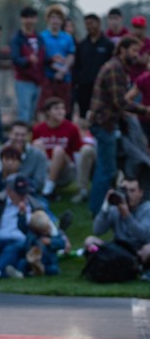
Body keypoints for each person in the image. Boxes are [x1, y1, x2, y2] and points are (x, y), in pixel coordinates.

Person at [88, 36, 149, 215]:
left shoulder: (119, 67)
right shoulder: (115, 68)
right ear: (122, 49)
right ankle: (98, 209)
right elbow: (119, 102)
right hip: (103, 124)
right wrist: (144, 110)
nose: (136, 55)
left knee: (107, 167)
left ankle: (98, 206)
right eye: (134, 51)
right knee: (106, 169)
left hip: (108, 123)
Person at [84, 177, 150, 264]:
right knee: (89, 241)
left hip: (138, 250)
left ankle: (135, 265)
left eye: (132, 190)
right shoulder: (115, 208)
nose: (128, 194)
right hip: (118, 247)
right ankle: (106, 260)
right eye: (125, 190)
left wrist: (127, 216)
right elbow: (97, 230)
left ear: (141, 193)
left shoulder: (147, 208)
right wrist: (105, 207)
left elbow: (144, 236)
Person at [32, 97, 82, 199]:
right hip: (45, 167)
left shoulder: (72, 128)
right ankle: (45, 186)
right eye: (56, 108)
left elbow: (78, 152)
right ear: (48, 112)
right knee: (37, 143)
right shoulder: (38, 129)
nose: (61, 111)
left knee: (58, 149)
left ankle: (49, 188)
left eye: (62, 108)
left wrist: (79, 180)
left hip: (65, 169)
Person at [73, 13, 114, 118]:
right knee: (84, 115)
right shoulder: (82, 45)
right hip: (84, 87)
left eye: (91, 23)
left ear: (99, 23)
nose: (89, 26)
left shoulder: (108, 44)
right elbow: (77, 66)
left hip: (102, 88)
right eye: (86, 24)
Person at [10, 6, 46, 123]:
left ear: (36, 19)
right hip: (23, 80)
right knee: (24, 112)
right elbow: (15, 59)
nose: (29, 20)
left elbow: (43, 57)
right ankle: (21, 138)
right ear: (22, 19)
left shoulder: (40, 38)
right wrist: (27, 60)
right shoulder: (17, 39)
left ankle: (29, 137)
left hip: (38, 80)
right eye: (26, 17)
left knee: (33, 113)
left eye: (32, 17)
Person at [39, 4, 76, 117]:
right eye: (53, 17)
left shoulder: (67, 37)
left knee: (64, 108)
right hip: (47, 77)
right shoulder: (42, 36)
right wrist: (53, 65)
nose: (55, 21)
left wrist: (63, 70)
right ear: (48, 19)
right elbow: (41, 56)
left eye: (58, 18)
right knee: (45, 107)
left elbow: (71, 55)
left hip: (64, 78)